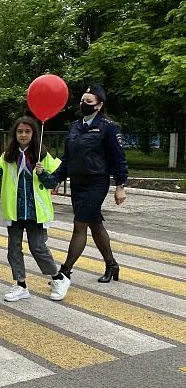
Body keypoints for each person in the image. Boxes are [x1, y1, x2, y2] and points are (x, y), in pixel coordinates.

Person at [36, 84, 128, 298]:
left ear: (99, 105)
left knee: (80, 225)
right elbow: (68, 159)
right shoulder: (76, 127)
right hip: (78, 183)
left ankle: (64, 271)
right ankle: (112, 265)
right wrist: (54, 178)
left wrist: (120, 186)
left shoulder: (108, 127)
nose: (83, 105)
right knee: (94, 224)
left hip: (97, 183)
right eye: (82, 101)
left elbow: (118, 158)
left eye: (89, 102)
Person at [0, 117, 61, 301]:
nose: (23, 135)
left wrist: (43, 173)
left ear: (34, 133)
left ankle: (57, 277)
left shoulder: (42, 154)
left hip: (35, 211)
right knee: (13, 249)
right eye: (20, 132)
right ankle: (21, 284)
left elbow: (53, 182)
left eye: (27, 132)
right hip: (14, 210)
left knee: (38, 247)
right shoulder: (8, 155)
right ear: (15, 134)